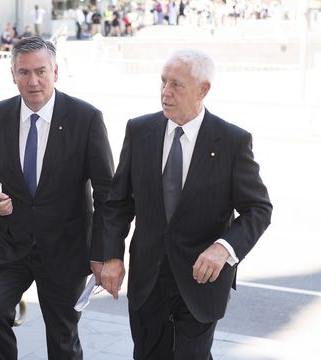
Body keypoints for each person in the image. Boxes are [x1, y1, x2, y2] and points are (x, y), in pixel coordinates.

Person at [100, 48, 273, 359]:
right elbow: (118, 203)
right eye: (163, 82)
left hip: (201, 280)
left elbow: (258, 209)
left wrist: (224, 248)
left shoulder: (232, 141)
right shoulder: (139, 131)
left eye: (176, 84)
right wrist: (111, 256)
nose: (166, 92)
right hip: (148, 279)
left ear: (202, 90)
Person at [0, 36, 114, 360]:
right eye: (24, 72)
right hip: (10, 243)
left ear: (56, 72)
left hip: (65, 248)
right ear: (13, 75)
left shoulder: (86, 118)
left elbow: (107, 192)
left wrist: (103, 252)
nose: (33, 81)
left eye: (40, 71)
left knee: (62, 339)